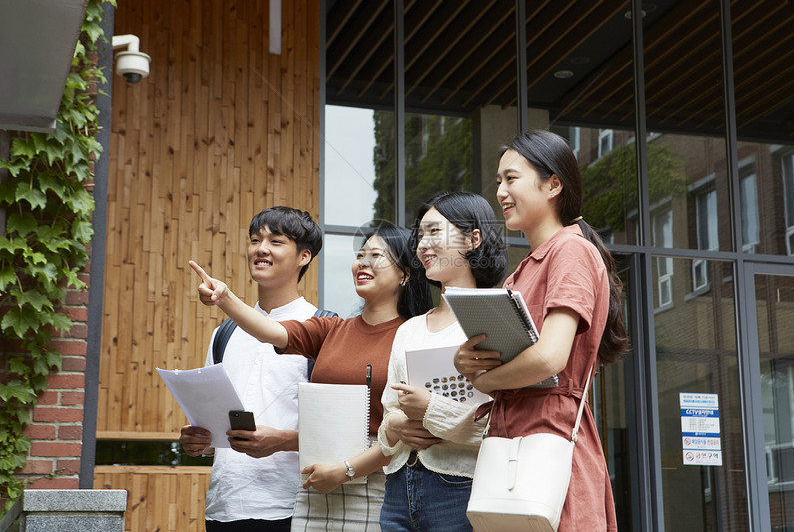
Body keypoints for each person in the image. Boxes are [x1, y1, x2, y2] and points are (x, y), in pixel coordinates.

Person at [190, 223, 433, 531]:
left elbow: (407, 431)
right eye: (360, 255)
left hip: (379, 484)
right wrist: (225, 298)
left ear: (405, 274)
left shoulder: (414, 337)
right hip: (317, 485)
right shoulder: (332, 329)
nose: (364, 263)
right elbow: (271, 331)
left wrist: (345, 470)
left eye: (377, 256)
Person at [454, 130, 628, 531]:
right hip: (515, 438)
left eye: (511, 178)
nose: (500, 191)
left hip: (549, 434)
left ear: (553, 184)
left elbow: (551, 356)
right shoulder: (522, 269)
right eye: (498, 181)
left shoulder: (571, 250)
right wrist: (466, 361)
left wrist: (487, 379)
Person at [179, 206, 324, 532]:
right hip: (223, 507)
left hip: (293, 507)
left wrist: (283, 440)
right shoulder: (224, 334)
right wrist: (197, 440)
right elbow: (210, 420)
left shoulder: (322, 329)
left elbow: (338, 431)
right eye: (256, 239)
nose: (261, 248)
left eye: (276, 241)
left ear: (304, 256)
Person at [377, 192, 506, 532]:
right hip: (396, 492)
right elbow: (388, 414)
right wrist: (395, 427)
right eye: (420, 235)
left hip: (460, 489)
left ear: (473, 239)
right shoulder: (408, 329)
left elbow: (500, 425)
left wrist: (430, 409)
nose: (422, 245)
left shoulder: (493, 320)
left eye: (434, 231)